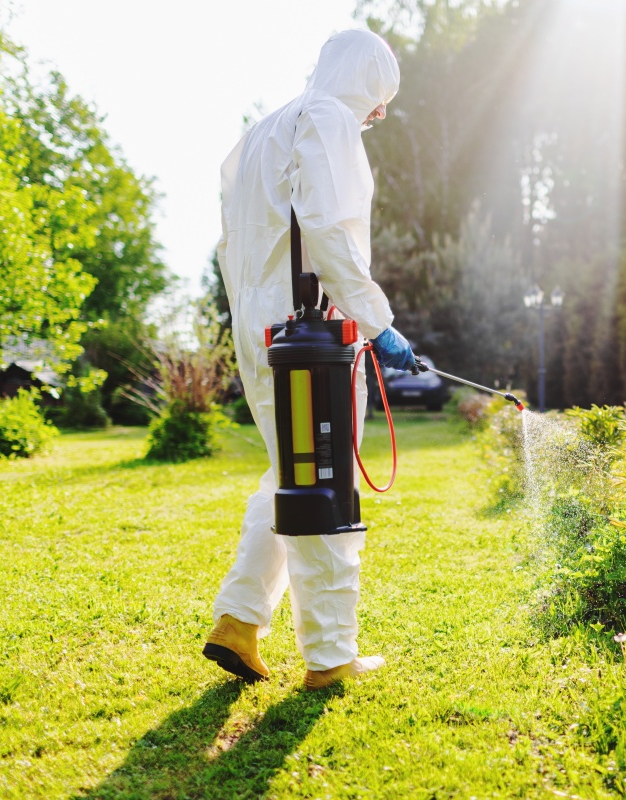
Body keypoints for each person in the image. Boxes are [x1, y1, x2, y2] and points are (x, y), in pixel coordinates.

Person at [204, 29, 415, 691]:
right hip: (313, 333)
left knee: (291, 473)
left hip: (262, 327)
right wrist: (375, 321)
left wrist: (261, 317)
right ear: (370, 90)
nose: (376, 118)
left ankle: (238, 623)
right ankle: (330, 656)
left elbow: (228, 243)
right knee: (324, 483)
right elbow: (329, 226)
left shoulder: (263, 131)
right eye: (379, 103)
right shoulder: (329, 120)